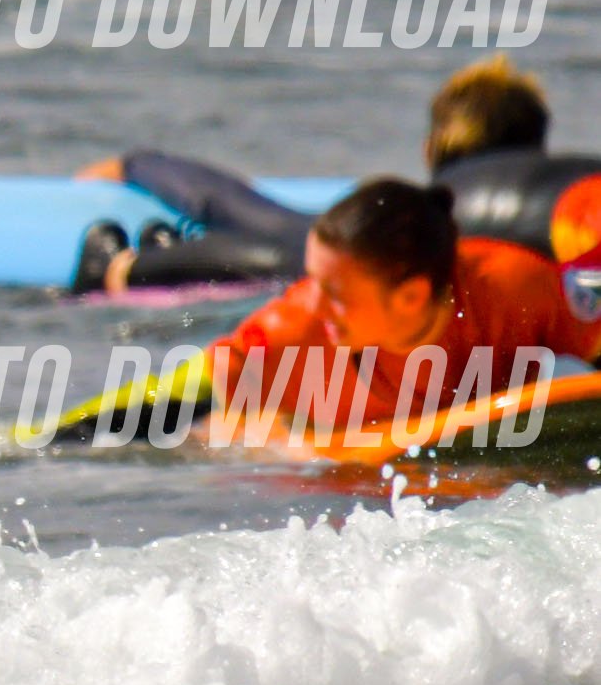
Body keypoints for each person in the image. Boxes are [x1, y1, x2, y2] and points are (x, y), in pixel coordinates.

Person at [71, 56, 601, 290]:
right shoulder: (576, 186)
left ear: (430, 150)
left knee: (301, 251)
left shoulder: (418, 219)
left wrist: (139, 168)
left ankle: (124, 266)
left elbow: (247, 219)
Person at [191, 178, 590, 439]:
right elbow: (209, 388)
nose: (315, 304)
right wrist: (281, 445)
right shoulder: (292, 333)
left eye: (334, 292)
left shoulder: (516, 288)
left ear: (411, 296)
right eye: (312, 280)